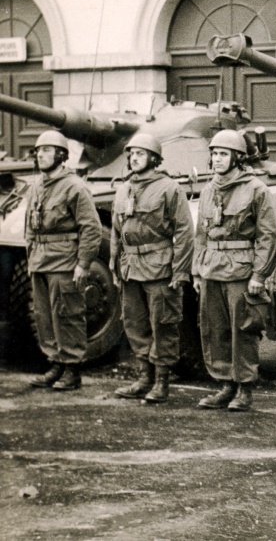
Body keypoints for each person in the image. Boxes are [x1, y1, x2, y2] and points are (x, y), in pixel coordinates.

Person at [192, 129, 276, 412]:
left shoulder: (255, 189)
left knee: (243, 330)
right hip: (211, 269)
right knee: (214, 330)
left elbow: (268, 236)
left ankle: (244, 388)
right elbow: (201, 234)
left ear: (238, 158)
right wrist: (197, 271)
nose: (217, 159)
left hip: (241, 271)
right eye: (214, 154)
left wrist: (259, 275)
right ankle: (225, 385)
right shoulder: (208, 189)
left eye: (223, 154)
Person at [110, 133, 194, 404]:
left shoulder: (169, 188)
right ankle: (144, 377)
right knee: (135, 323)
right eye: (132, 154)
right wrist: (114, 263)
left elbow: (184, 232)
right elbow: (116, 230)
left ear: (154, 159)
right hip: (130, 268)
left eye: (141, 154)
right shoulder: (123, 189)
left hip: (160, 267)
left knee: (163, 325)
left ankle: (161, 382)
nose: (134, 158)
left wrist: (180, 271)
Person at [24, 130, 103, 391]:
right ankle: (56, 363)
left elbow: (91, 228)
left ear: (61, 155)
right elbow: (29, 226)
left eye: (47, 150)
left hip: (64, 262)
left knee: (67, 314)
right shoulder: (36, 186)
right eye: (38, 150)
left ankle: (72, 369)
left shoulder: (74, 186)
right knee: (44, 316)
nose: (40, 155)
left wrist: (83, 263)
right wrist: (31, 257)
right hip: (40, 261)